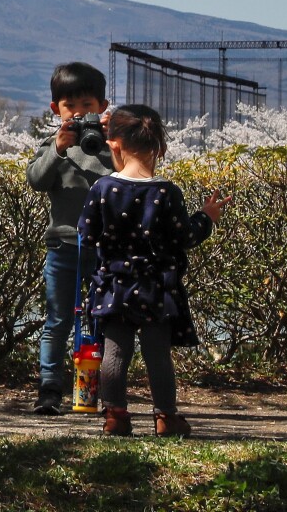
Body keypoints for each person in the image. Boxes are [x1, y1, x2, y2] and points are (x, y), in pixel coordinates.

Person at [78, 104, 230, 437]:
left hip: (114, 284)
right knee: (157, 354)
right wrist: (206, 217)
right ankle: (165, 418)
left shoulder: (102, 189)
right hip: (157, 287)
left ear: (113, 144)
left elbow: (86, 234)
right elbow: (184, 236)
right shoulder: (166, 192)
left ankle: (115, 416)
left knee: (115, 352)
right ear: (159, 147)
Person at [26, 61, 113, 415]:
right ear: (55, 110)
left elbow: (130, 176)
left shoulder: (112, 146)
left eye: (87, 107)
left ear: (102, 108)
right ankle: (49, 388)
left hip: (106, 249)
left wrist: (115, 138)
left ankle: (109, 389)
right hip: (63, 245)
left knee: (106, 319)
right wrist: (58, 149)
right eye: (70, 107)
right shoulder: (52, 145)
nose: (79, 115)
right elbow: (36, 180)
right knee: (58, 319)